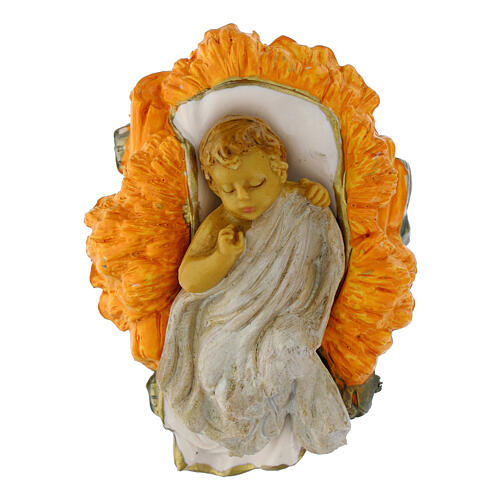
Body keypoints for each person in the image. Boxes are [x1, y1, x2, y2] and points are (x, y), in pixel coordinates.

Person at [155, 115, 350, 473]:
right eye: (228, 191)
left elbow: (320, 251)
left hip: (279, 318)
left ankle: (288, 410)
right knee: (215, 376)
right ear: (214, 187)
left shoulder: (295, 204)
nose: (243, 198)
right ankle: (230, 428)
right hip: (222, 320)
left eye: (256, 183)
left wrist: (315, 194)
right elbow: (190, 280)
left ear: (280, 172)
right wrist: (221, 256)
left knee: (281, 352)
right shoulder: (222, 222)